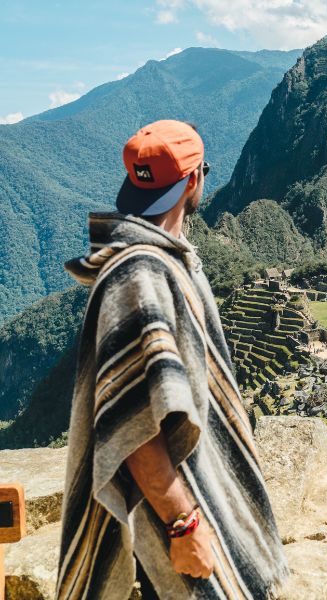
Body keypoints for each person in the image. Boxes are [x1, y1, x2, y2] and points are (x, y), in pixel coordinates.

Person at [58, 120, 288, 599]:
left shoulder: (162, 259)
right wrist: (184, 526)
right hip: (168, 522)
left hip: (181, 507)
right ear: (194, 180)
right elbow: (134, 423)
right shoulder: (140, 273)